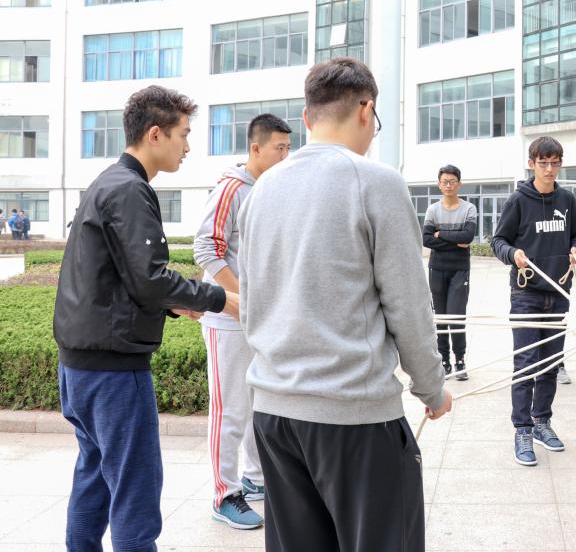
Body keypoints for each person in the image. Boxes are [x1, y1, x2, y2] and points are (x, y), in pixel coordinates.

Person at [237, 57, 452, 552]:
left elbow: (252, 302)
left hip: (273, 414)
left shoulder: (263, 189)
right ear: (365, 110)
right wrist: (431, 388)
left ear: (307, 117)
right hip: (353, 417)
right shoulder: (375, 182)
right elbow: (408, 305)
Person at [53, 85, 240, 552]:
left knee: (94, 480)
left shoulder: (107, 182)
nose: (188, 146)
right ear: (155, 134)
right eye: (183, 134)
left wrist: (174, 302)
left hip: (78, 367)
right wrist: (224, 299)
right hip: (114, 374)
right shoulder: (130, 189)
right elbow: (151, 279)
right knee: (135, 489)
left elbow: (119, 278)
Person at [193, 113, 292, 530]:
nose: (285, 156)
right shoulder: (231, 188)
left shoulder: (270, 188)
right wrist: (239, 299)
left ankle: (253, 478)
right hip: (227, 319)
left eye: (288, 148)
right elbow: (206, 249)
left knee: (256, 404)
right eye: (279, 149)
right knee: (230, 409)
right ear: (256, 148)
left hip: (258, 319)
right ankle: (224, 493)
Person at [491, 136, 576, 467]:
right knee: (526, 363)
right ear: (531, 164)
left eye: (554, 162)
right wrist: (512, 253)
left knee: (550, 363)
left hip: (559, 293)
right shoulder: (518, 200)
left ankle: (542, 421)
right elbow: (498, 240)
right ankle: (522, 429)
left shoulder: (567, 200)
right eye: (543, 162)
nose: (549, 169)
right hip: (526, 294)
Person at [422, 164, 478, 381]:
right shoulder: (433, 210)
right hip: (437, 269)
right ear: (439, 184)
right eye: (444, 182)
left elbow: (468, 237)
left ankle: (460, 360)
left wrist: (441, 234)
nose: (448, 185)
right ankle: (444, 361)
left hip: (460, 270)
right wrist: (455, 241)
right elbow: (427, 240)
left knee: (456, 316)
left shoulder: (469, 209)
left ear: (459, 184)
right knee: (440, 318)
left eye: (452, 181)